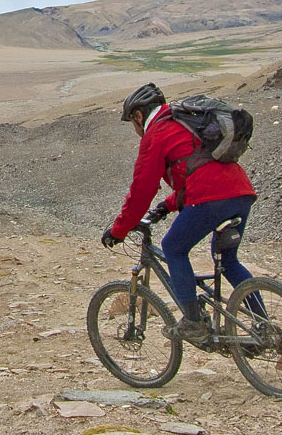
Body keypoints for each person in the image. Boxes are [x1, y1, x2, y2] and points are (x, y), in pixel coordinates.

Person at [101, 82, 257, 345]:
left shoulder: (157, 133)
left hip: (211, 199)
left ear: (139, 116)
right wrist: (167, 205)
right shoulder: (187, 124)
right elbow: (197, 170)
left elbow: (142, 189)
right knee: (229, 261)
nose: (136, 130)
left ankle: (194, 323)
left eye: (133, 123)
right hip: (241, 193)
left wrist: (119, 230)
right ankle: (263, 326)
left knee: (173, 247)